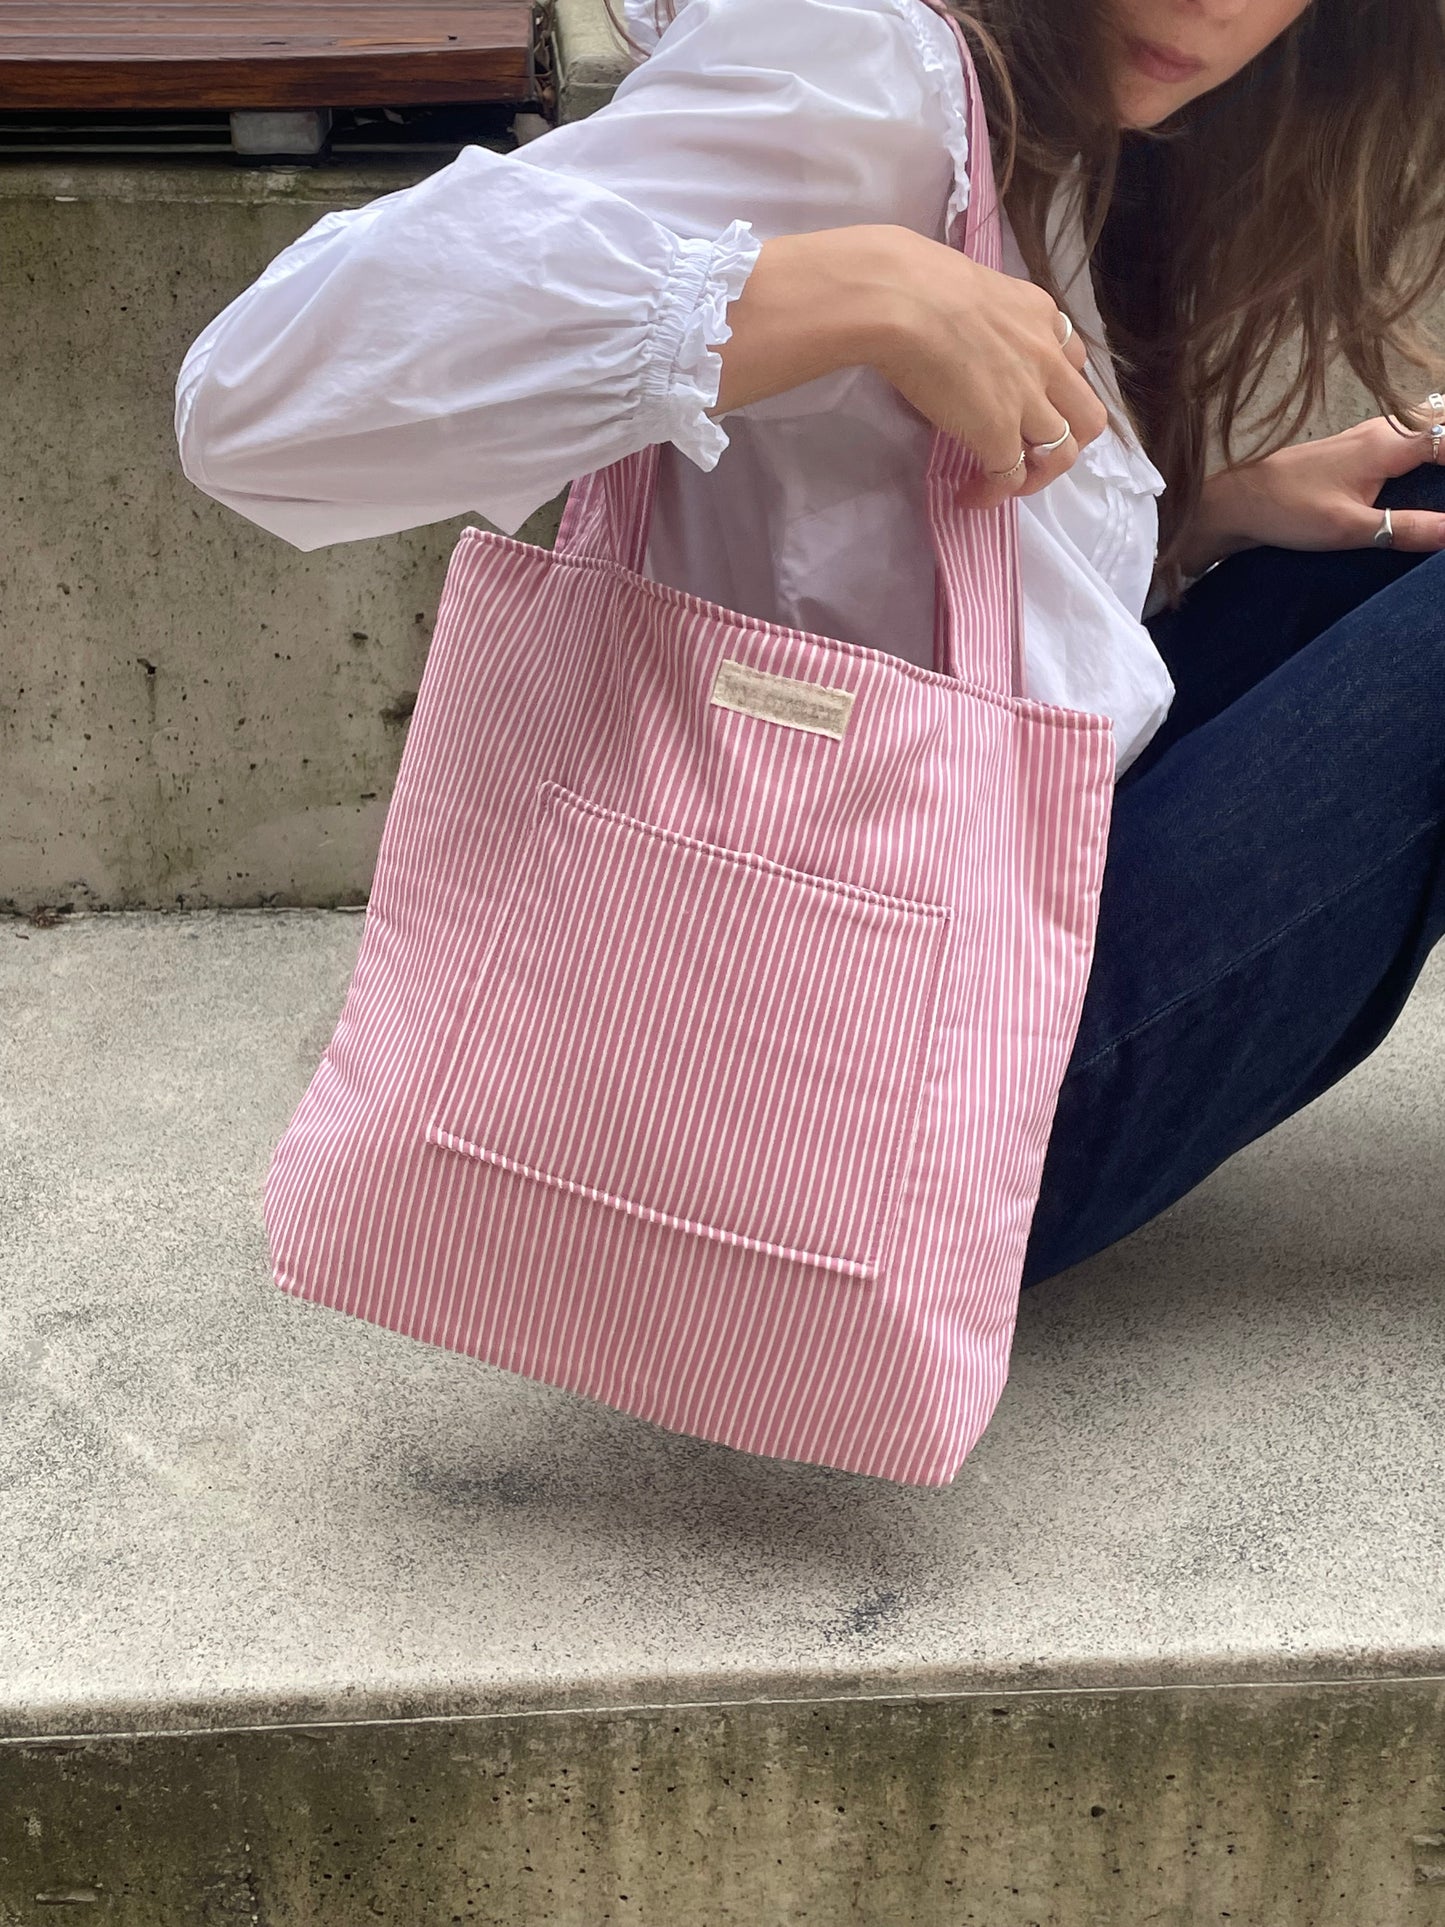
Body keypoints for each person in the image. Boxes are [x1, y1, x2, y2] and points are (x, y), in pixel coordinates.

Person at [176, 0, 1445, 1291]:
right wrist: (840, 286)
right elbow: (253, 400)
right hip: (863, 1126)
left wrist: (1208, 518)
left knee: (1420, 515)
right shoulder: (863, 68)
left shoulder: (1048, 119)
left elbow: (917, 584)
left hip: (932, 965)